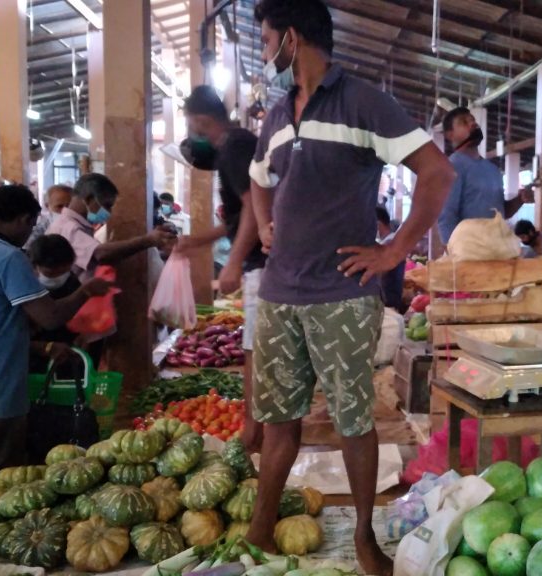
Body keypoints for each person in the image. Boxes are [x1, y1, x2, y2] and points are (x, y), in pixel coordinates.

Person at [246, 1, 455, 572]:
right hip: (280, 293)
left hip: (340, 295)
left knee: (353, 423)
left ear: (291, 39)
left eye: (265, 41)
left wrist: (395, 249)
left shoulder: (363, 102)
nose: (264, 54)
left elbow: (437, 172)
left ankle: (365, 537)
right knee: (278, 422)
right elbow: (259, 179)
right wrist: (263, 223)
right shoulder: (276, 114)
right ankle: (260, 530)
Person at [0, 185, 111, 559]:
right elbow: (49, 316)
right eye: (30, 226)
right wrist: (85, 292)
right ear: (24, 220)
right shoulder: (9, 258)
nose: (30, 233)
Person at [173, 85, 267, 452]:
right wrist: (197, 241)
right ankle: (258, 429)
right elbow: (237, 218)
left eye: (190, 124)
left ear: (200, 120)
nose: (192, 133)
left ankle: (254, 435)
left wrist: (233, 263)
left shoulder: (233, 148)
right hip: (262, 261)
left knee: (254, 350)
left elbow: (253, 206)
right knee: (254, 348)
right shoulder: (239, 145)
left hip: (264, 263)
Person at [46, 173, 176, 282]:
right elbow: (101, 254)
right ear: (89, 199)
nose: (109, 212)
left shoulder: (78, 225)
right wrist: (148, 240)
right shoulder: (68, 227)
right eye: (107, 205)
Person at [436, 106, 533, 244]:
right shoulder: (451, 167)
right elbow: (446, 216)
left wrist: (520, 199)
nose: (472, 123)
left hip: (495, 248)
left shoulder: (493, 170)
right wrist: (453, 250)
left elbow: (502, 212)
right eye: (464, 122)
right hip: (468, 249)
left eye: (473, 120)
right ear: (450, 134)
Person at [27, 234, 82, 368]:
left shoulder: (73, 285)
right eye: (51, 273)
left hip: (65, 358)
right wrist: (45, 347)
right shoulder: (22, 291)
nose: (59, 277)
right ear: (34, 266)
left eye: (64, 271)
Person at [376, 206, 405, 311]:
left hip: (388, 302)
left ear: (378, 225)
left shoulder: (389, 244)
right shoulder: (392, 243)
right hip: (392, 299)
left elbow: (379, 273)